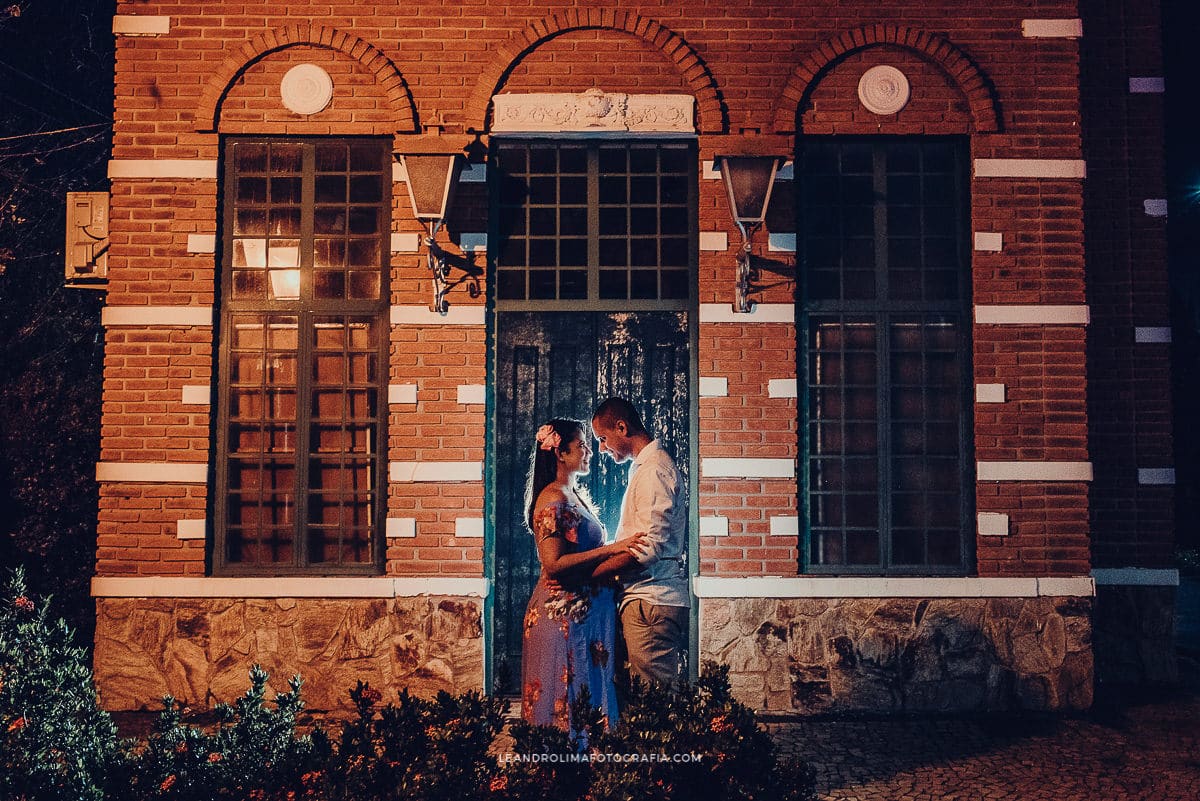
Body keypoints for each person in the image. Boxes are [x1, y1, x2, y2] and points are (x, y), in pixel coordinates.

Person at [520, 418, 646, 734]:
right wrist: (613, 549)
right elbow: (554, 564)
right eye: (581, 445)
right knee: (564, 703)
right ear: (560, 453)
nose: (589, 450)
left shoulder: (572, 494)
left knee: (584, 703)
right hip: (562, 618)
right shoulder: (553, 499)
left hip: (582, 616)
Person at [590, 397, 689, 689]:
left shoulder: (654, 471)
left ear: (622, 427)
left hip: (651, 599)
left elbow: (647, 549)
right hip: (647, 598)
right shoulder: (645, 468)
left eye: (603, 439)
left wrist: (592, 573)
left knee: (653, 706)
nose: (602, 448)